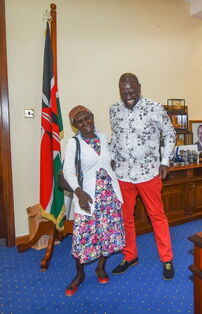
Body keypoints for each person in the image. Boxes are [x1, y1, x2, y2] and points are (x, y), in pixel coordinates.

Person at [109, 73, 176, 280]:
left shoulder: (154, 107)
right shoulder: (113, 110)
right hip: (122, 174)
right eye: (124, 93)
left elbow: (170, 133)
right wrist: (111, 157)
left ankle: (166, 259)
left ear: (139, 87)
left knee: (157, 216)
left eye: (132, 91)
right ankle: (130, 256)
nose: (128, 96)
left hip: (148, 173)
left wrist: (165, 161)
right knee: (125, 217)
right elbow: (115, 137)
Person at [63, 105, 125, 296]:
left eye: (87, 118)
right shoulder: (74, 143)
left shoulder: (104, 138)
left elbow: (110, 160)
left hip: (109, 196)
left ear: (92, 117)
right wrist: (78, 191)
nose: (85, 123)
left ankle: (100, 268)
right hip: (87, 198)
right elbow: (68, 171)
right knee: (83, 237)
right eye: (79, 121)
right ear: (75, 126)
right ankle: (80, 274)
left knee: (107, 234)